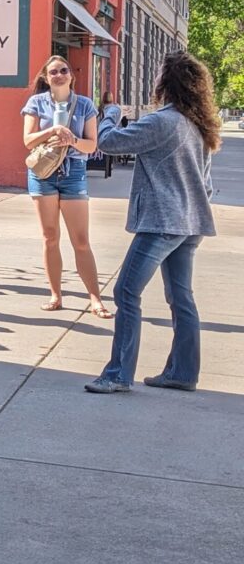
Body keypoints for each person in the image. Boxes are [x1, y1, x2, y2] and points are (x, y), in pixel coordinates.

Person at [85, 52, 221, 393]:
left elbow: (108, 142)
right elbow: (206, 183)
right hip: (190, 222)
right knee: (181, 296)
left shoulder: (165, 121)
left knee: (126, 291)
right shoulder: (197, 124)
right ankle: (182, 373)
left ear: (167, 82)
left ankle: (118, 374)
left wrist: (110, 114)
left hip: (163, 221)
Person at [21, 55, 112, 318]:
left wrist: (72, 140)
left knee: (81, 240)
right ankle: (55, 295)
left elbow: (92, 145)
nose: (58, 75)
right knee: (50, 237)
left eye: (63, 70)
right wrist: (53, 132)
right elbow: (27, 140)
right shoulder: (36, 103)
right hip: (43, 173)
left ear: (71, 76)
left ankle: (95, 299)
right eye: (53, 72)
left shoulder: (84, 105)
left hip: (74, 172)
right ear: (45, 78)